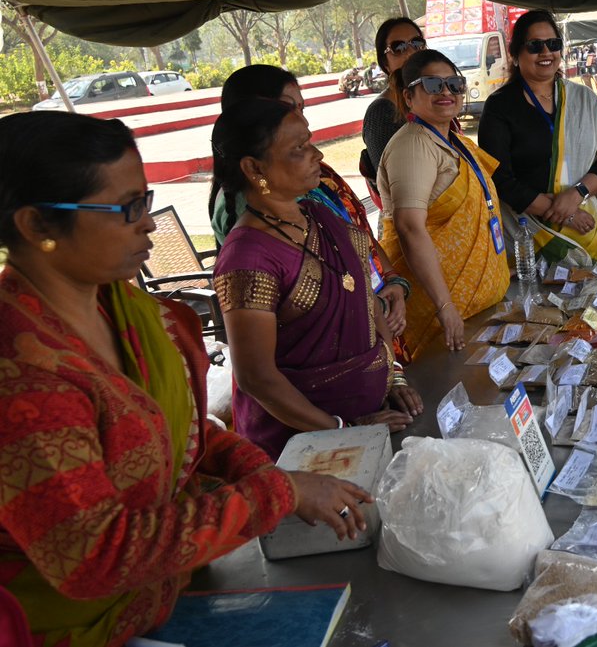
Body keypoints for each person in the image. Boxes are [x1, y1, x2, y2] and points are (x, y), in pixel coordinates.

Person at [0, 112, 371, 647]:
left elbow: (189, 429)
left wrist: (262, 471)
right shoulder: (23, 375)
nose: (148, 224)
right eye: (128, 208)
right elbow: (94, 557)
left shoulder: (122, 305)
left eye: (145, 201)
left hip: (178, 589)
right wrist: (277, 493)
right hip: (83, 627)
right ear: (37, 226)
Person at [210, 98, 416, 460]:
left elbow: (366, 300)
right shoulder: (247, 258)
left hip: (374, 421)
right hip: (305, 448)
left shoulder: (320, 217)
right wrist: (341, 431)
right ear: (254, 168)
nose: (317, 155)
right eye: (299, 148)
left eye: (310, 142)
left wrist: (393, 375)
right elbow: (256, 378)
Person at [377, 50, 510, 356]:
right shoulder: (413, 144)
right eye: (433, 85)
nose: (447, 92)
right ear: (408, 96)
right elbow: (409, 228)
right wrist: (445, 305)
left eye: (454, 84)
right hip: (439, 310)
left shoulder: (454, 139)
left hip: (474, 303)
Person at [478, 9, 597, 268]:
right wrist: (565, 214)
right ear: (515, 54)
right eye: (535, 46)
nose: (546, 52)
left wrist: (577, 194)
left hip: (589, 229)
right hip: (531, 234)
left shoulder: (584, 100)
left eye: (553, 44)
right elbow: (498, 177)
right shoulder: (500, 106)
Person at [361, 17, 426, 184]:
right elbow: (394, 184)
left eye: (417, 43)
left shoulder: (432, 98)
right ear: (385, 63)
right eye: (398, 47)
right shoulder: (381, 112)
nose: (411, 52)